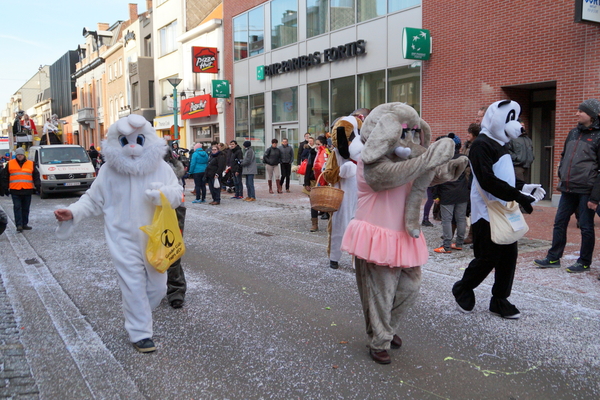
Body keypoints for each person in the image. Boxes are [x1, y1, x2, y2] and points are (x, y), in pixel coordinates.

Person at [53, 114, 183, 353]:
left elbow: (177, 193)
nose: (133, 146)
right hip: (122, 237)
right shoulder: (110, 172)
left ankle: (138, 312)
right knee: (132, 285)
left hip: (155, 238)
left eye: (139, 140)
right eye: (125, 141)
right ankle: (141, 333)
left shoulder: (161, 168)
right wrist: (72, 212)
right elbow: (92, 199)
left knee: (158, 288)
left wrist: (163, 195)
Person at [452, 100, 542, 320]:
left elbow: (504, 177)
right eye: (510, 119)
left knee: (509, 257)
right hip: (486, 211)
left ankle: (500, 299)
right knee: (487, 257)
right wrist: (518, 196)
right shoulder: (481, 144)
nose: (518, 125)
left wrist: (524, 188)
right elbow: (487, 180)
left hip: (504, 209)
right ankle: (463, 287)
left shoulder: (500, 144)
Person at [535, 99, 600, 274]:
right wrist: (562, 175)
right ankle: (553, 257)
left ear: (592, 115)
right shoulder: (573, 133)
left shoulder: (598, 136)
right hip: (568, 188)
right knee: (559, 222)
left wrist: (595, 197)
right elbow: (564, 156)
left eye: (581, 111)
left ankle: (584, 261)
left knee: (586, 226)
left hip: (586, 189)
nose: (577, 113)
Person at [433, 134, 469, 253]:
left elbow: (437, 179)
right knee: (461, 218)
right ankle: (459, 243)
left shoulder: (443, 160)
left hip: (447, 192)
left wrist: (436, 195)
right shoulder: (464, 158)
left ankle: (446, 246)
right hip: (462, 192)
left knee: (447, 220)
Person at [164, 148, 187, 309]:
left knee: (172, 249)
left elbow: (178, 195)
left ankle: (175, 290)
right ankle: (172, 290)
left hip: (174, 210)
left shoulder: (169, 172)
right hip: (150, 211)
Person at [0, 148, 41, 232]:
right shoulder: (10, 164)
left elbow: (36, 175)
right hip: (15, 189)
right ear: (16, 155)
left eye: (21, 154)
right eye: (18, 155)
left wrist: (38, 186)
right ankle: (19, 225)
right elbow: (5, 176)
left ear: (24, 155)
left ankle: (24, 224)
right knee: (17, 207)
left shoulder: (31, 164)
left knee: (26, 208)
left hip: (27, 189)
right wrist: (5, 187)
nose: (20, 156)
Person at [304, 136, 328, 232]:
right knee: (314, 203)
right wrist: (306, 183)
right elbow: (308, 167)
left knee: (327, 203)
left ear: (324, 145)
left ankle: (331, 224)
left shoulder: (328, 153)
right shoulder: (313, 153)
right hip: (314, 181)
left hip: (325, 181)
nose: (317, 146)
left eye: (319, 144)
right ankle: (314, 224)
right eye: (316, 144)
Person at [462, 123, 481, 245]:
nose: (467, 135)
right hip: (465, 179)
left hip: (472, 180)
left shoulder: (477, 146)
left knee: (474, 209)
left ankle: (473, 234)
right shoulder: (467, 145)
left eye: (469, 133)